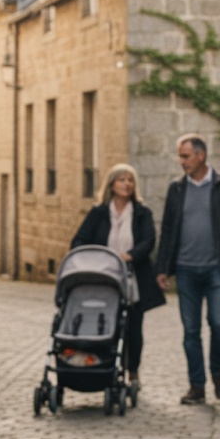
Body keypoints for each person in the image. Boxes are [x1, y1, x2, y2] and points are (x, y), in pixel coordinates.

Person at [155, 134, 220, 405]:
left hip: (216, 270)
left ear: (201, 155)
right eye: (180, 156)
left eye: (185, 156)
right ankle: (197, 386)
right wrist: (162, 268)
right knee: (191, 331)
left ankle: (217, 374)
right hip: (185, 270)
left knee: (218, 325)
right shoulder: (176, 189)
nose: (181, 161)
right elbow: (168, 231)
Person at [70, 163, 165, 390]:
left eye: (130, 180)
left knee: (134, 328)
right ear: (112, 185)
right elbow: (79, 240)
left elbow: (148, 241)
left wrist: (129, 255)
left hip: (133, 279)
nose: (127, 184)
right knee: (106, 324)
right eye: (122, 180)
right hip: (104, 278)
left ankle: (133, 371)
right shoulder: (99, 212)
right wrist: (94, 257)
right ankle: (105, 366)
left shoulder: (142, 212)